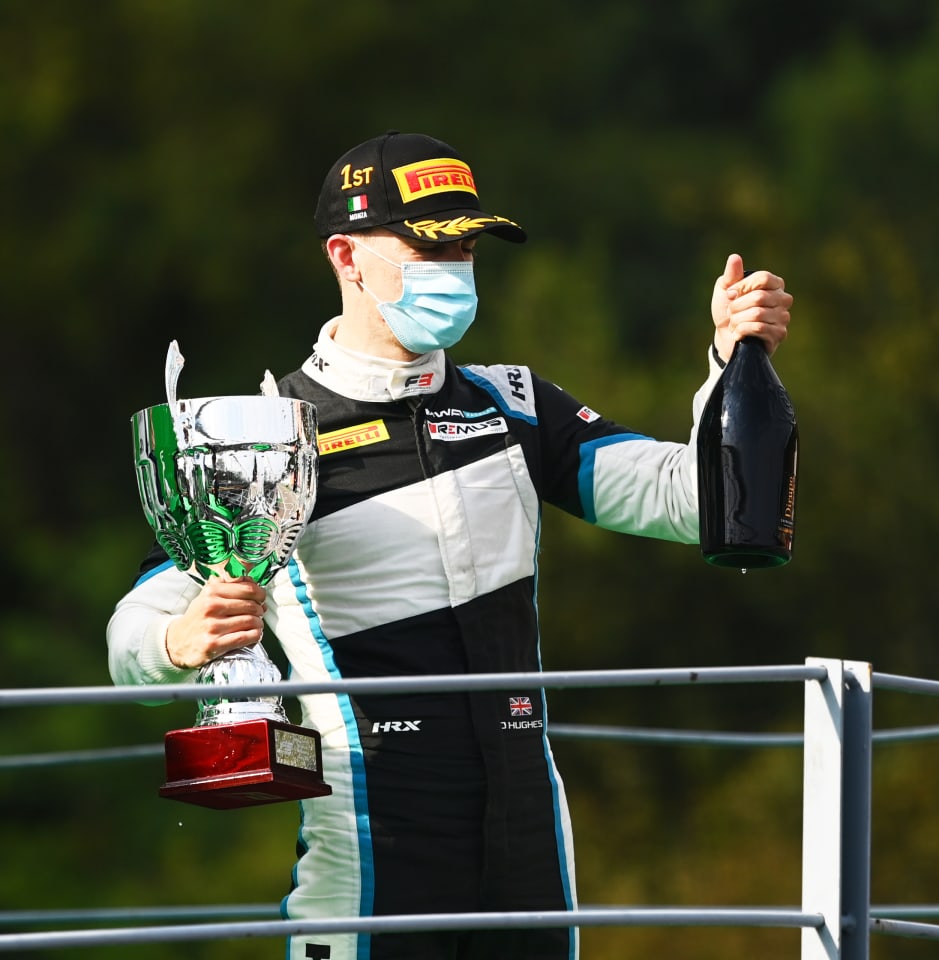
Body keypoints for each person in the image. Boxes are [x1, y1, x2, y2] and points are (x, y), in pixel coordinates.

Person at [106, 130, 793, 960]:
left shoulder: (517, 402)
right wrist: (180, 641)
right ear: (346, 256)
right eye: (429, 244)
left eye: (466, 243)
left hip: (530, 831)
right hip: (373, 840)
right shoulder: (267, 430)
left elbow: (690, 501)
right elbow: (131, 648)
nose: (455, 264)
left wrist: (726, 361)